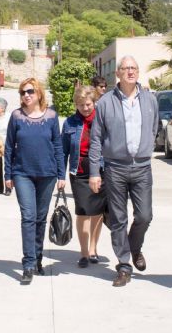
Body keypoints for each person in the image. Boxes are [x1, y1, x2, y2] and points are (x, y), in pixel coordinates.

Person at [88, 55, 159, 287]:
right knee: (118, 219)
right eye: (126, 68)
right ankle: (124, 265)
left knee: (145, 216)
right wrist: (94, 171)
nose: (130, 71)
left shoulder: (150, 99)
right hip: (115, 168)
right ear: (117, 73)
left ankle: (134, 247)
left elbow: (154, 127)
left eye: (134, 68)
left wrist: (146, 148)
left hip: (142, 167)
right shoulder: (106, 102)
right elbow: (96, 138)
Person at [4, 77, 65, 284]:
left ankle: (38, 257)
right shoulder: (16, 117)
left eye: (30, 91)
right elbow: (9, 147)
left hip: (47, 174)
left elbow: (57, 146)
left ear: (39, 93)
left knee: (40, 218)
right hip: (23, 174)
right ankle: (28, 263)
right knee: (28, 217)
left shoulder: (51, 117)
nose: (26, 95)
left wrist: (61, 174)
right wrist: (8, 175)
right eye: (22, 92)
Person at [62, 84, 108, 268]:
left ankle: (93, 249)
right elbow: (62, 150)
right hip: (79, 172)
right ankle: (83, 253)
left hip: (101, 170)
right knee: (82, 211)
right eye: (81, 105)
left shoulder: (103, 120)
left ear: (94, 102)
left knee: (97, 212)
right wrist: (61, 175)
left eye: (88, 104)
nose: (85, 108)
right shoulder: (70, 123)